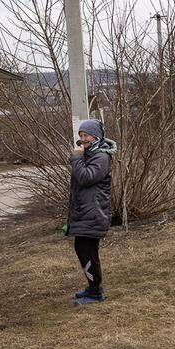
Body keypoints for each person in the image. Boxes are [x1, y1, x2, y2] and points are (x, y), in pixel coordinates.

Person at [67, 119, 117, 306]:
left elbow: (87, 178)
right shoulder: (90, 154)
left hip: (94, 214)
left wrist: (77, 158)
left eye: (85, 135)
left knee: (87, 251)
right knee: (82, 249)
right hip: (85, 214)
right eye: (80, 136)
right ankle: (93, 287)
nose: (82, 139)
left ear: (95, 136)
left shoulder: (101, 157)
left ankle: (96, 292)